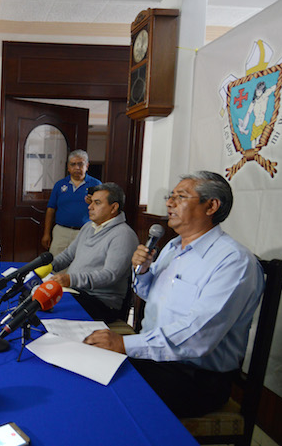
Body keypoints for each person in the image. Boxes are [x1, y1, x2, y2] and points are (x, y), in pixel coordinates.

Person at [83, 171, 264, 418]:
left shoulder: (233, 261)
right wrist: (143, 271)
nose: (169, 203)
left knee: (104, 398)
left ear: (211, 206)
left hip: (195, 377)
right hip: (155, 359)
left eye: (180, 197)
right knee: (86, 367)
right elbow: (149, 293)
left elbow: (198, 336)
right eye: (170, 196)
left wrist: (124, 343)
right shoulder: (172, 246)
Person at [51, 183, 138, 322]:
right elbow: (68, 255)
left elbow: (110, 275)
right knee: (37, 299)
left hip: (102, 302)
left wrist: (71, 279)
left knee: (52, 308)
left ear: (113, 208)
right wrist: (45, 266)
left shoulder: (123, 235)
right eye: (91, 202)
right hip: (77, 292)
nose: (90, 207)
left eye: (97, 203)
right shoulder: (88, 227)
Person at [42, 149, 101, 256]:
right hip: (61, 232)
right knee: (56, 262)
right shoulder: (59, 185)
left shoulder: (96, 184)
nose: (77, 167)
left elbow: (103, 210)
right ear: (68, 167)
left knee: (83, 262)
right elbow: (51, 209)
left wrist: (94, 203)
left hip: (85, 231)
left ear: (87, 166)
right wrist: (46, 233)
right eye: (73, 164)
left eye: (80, 164)